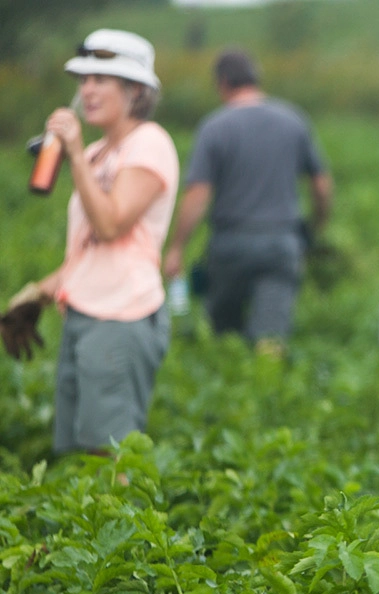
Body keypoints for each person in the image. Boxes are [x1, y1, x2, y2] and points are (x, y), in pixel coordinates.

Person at [10, 29, 178, 454]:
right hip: (83, 314)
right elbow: (91, 251)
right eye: (83, 80)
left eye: (101, 79)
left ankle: (125, 523)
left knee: (110, 452)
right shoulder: (100, 153)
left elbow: (110, 226)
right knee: (74, 447)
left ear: (135, 90)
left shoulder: (149, 144)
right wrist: (37, 294)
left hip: (122, 316)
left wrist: (74, 154)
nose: (87, 89)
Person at [162, 48, 332, 354]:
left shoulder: (215, 127)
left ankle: (229, 382)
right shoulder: (294, 120)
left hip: (230, 244)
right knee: (270, 337)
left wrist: (177, 247)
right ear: (256, 78)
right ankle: (266, 386)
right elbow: (321, 185)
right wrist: (315, 226)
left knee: (224, 334)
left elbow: (198, 195)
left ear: (223, 82)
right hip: (282, 241)